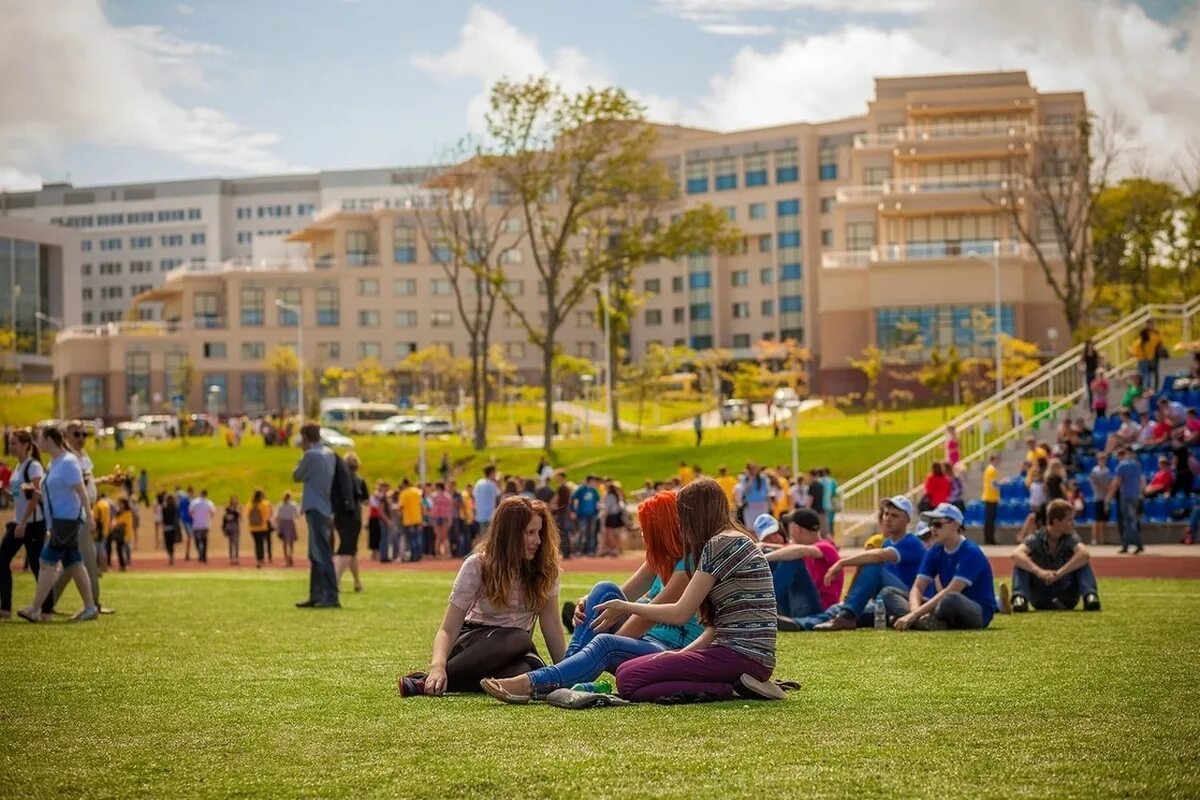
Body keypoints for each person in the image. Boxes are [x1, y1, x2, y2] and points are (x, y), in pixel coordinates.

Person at [481, 490, 705, 703]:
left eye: (645, 527)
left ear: (660, 529)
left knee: (605, 643)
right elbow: (619, 595)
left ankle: (535, 682)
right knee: (603, 589)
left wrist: (598, 646)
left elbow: (644, 620)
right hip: (646, 640)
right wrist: (588, 604)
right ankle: (563, 675)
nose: (642, 534)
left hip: (668, 650)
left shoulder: (688, 565)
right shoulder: (658, 560)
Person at [599, 478, 782, 702]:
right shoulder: (736, 540)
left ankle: (730, 689)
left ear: (694, 515)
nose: (679, 525)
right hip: (751, 657)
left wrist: (623, 606)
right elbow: (716, 626)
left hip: (741, 656)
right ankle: (736, 685)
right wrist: (681, 655)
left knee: (629, 677)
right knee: (630, 678)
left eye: (681, 517)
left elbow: (680, 613)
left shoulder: (719, 543)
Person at [398, 496, 565, 696]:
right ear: (509, 534)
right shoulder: (477, 565)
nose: (537, 541)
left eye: (539, 533)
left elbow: (553, 626)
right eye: (530, 533)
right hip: (474, 645)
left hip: (516, 651)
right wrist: (438, 666)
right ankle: (427, 681)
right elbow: (448, 628)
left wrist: (566, 672)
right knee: (518, 638)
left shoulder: (545, 570)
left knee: (531, 671)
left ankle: (431, 683)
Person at [17, 425, 98, 623]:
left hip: (67, 521)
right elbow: (53, 491)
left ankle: (35, 609)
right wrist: (35, 493)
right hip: (59, 521)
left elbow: (81, 491)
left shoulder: (68, 462)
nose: (37, 442)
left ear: (49, 440)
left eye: (40, 438)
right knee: (75, 563)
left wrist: (90, 517)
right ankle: (90, 607)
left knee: (46, 563)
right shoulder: (55, 462)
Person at [813, 496, 924, 631]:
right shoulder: (887, 542)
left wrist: (842, 563)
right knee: (837, 609)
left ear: (907, 520)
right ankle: (802, 623)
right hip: (885, 600)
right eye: (886, 513)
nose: (888, 518)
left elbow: (878, 556)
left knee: (873, 565)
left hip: (906, 601)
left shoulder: (912, 542)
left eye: (895, 515)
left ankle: (846, 618)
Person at [892, 504, 997, 631]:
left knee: (951, 598)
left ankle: (927, 621)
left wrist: (913, 615)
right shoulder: (935, 550)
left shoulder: (971, 552)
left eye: (937, 524)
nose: (932, 529)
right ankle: (927, 622)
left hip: (978, 612)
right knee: (889, 592)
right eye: (931, 525)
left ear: (955, 525)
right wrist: (915, 612)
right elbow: (918, 586)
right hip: (942, 605)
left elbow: (952, 590)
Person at [1009, 499, 1101, 612]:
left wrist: (1059, 573)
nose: (1073, 523)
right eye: (1069, 520)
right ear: (1056, 521)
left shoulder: (1071, 538)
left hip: (1066, 596)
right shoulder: (1037, 537)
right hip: (1041, 596)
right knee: (1022, 563)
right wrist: (1040, 572)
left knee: (1081, 562)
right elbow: (1016, 554)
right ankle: (1019, 598)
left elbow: (1084, 554)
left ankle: (1090, 596)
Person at [764, 508, 842, 627]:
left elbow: (798, 550)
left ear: (796, 529)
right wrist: (764, 547)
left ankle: (763, 605)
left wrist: (763, 557)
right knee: (776, 555)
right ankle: (760, 605)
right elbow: (786, 548)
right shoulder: (809, 547)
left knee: (791, 559)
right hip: (804, 605)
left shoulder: (826, 547)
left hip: (820, 610)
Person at [0, 429, 46, 618]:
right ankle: (5, 608)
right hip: (19, 522)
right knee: (2, 560)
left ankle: (47, 609)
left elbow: (36, 496)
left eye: (14, 443)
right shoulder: (18, 467)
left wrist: (24, 523)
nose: (11, 447)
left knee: (37, 566)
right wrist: (4, 492)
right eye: (10, 443)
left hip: (32, 524)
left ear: (26, 445)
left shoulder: (33, 466)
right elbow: (19, 498)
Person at [293, 423, 338, 608]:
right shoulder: (329, 454)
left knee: (320, 553)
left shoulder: (311, 455)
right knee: (317, 552)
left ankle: (329, 595)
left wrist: (302, 454)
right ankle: (317, 594)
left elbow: (297, 475)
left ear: (306, 438)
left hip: (314, 506)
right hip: (325, 506)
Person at [334, 452, 368, 589]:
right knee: (347, 548)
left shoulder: (338, 480)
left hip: (340, 516)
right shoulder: (358, 480)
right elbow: (365, 498)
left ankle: (357, 581)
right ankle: (336, 580)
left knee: (351, 549)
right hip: (353, 516)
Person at [570, 475, 601, 557]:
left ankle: (590, 551)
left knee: (591, 533)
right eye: (593, 481)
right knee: (581, 532)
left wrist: (598, 510)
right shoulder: (581, 489)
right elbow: (572, 499)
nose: (595, 483)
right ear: (590, 481)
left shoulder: (594, 491)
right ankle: (578, 550)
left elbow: (598, 501)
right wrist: (573, 511)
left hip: (592, 515)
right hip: (582, 515)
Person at [473, 465, 500, 542]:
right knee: (490, 538)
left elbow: (474, 496)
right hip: (490, 514)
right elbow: (499, 495)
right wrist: (498, 482)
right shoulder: (492, 484)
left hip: (480, 514)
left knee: (483, 537)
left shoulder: (478, 483)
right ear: (491, 473)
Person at [399, 478, 424, 563]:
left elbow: (401, 507)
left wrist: (400, 516)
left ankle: (413, 556)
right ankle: (418, 555)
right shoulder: (417, 492)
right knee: (417, 538)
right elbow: (421, 505)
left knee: (412, 539)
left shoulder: (404, 493)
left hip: (408, 519)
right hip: (417, 517)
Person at [1089, 458, 1112, 546]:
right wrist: (1105, 487)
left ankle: (1103, 539)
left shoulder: (1107, 471)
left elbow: (1110, 483)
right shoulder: (1095, 471)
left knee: (1104, 520)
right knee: (1097, 520)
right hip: (1098, 497)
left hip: (1105, 498)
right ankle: (1094, 539)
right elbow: (1095, 483)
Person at [247, 489, 273, 569]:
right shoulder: (264, 504)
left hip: (253, 527)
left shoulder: (250, 504)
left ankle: (258, 559)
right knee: (261, 543)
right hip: (262, 527)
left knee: (256, 544)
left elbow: (248, 515)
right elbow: (267, 515)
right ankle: (261, 559)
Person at [189, 489, 216, 564]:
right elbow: (213, 512)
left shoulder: (195, 502)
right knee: (204, 541)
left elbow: (190, 512)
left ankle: (201, 554)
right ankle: (203, 555)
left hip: (197, 525)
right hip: (205, 525)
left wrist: (194, 517)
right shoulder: (209, 503)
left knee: (197, 541)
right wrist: (208, 518)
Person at [599, 480, 625, 558]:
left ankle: (613, 549)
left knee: (610, 533)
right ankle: (617, 549)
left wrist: (603, 512)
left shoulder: (609, 495)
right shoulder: (617, 495)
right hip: (616, 515)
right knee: (615, 533)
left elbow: (608, 507)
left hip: (611, 516)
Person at [274, 492, 300, 567]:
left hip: (283, 523)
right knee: (291, 542)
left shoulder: (280, 505)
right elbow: (297, 515)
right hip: (290, 523)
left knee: (284, 542)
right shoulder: (293, 505)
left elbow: (278, 516)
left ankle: (286, 558)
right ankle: (290, 555)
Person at [108, 498, 134, 571]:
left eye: (121, 503)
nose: (119, 505)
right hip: (119, 535)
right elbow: (114, 521)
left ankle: (124, 565)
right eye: (119, 503)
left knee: (124, 550)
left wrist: (115, 526)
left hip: (125, 535)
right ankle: (122, 565)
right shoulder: (118, 513)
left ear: (125, 504)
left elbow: (124, 524)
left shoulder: (128, 513)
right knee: (119, 550)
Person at [430, 481, 454, 559]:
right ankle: (447, 553)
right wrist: (450, 519)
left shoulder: (434, 495)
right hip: (445, 517)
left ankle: (437, 554)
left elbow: (431, 507)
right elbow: (450, 508)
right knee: (445, 537)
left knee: (438, 537)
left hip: (436, 517)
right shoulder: (447, 496)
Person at [981, 453, 1001, 546]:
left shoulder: (988, 470)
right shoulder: (992, 470)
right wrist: (1002, 483)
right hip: (991, 497)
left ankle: (989, 539)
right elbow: (994, 484)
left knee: (989, 520)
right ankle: (989, 539)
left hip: (989, 496)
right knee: (990, 520)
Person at [222, 496, 242, 565]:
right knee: (230, 543)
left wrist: (235, 512)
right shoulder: (227, 508)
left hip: (235, 526)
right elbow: (225, 517)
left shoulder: (238, 508)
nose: (234, 501)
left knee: (236, 542)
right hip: (229, 526)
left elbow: (239, 516)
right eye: (233, 500)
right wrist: (224, 527)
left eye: (235, 500)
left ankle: (236, 558)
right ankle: (231, 558)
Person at [162, 492, 180, 566]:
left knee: (168, 544)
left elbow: (164, 519)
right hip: (171, 528)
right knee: (170, 545)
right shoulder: (173, 508)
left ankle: (170, 557)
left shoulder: (167, 509)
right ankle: (171, 557)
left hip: (168, 528)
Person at [1082, 340, 1100, 409]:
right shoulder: (1085, 354)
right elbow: (1081, 362)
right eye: (1089, 346)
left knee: (1096, 389)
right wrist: (1082, 369)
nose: (1090, 347)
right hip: (1088, 373)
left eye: (1091, 345)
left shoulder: (1095, 353)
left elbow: (1098, 360)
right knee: (1090, 390)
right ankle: (1091, 407)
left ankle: (1097, 404)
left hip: (1095, 373)